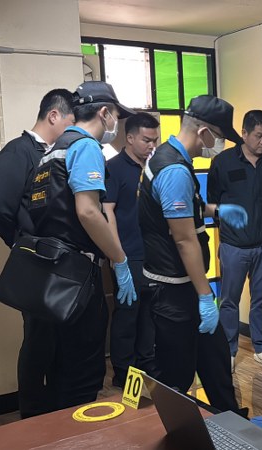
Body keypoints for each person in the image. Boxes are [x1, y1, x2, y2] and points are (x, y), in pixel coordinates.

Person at [27, 81, 137, 412]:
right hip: (76, 275)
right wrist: (120, 260)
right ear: (104, 113)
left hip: (52, 272)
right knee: (83, 372)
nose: (116, 124)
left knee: (62, 367)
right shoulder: (86, 146)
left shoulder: (54, 149)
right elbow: (88, 211)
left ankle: (61, 432)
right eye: (116, 115)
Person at [137, 95, 248, 415]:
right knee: (177, 374)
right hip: (174, 291)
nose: (220, 145)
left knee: (214, 359)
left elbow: (185, 208)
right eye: (220, 136)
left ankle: (232, 421)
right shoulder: (174, 169)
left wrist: (217, 210)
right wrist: (204, 296)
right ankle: (169, 430)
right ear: (204, 133)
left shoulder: (170, 156)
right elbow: (184, 239)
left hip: (186, 287)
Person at [0, 88, 75, 418]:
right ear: (54, 116)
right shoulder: (17, 152)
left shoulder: (59, 154)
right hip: (37, 263)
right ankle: (34, 417)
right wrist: (21, 244)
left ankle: (60, 413)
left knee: (62, 341)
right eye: (71, 123)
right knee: (38, 341)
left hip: (63, 262)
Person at [207, 110, 262, 371]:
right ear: (244, 133)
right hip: (233, 246)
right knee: (229, 301)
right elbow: (213, 202)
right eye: (259, 135)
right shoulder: (223, 162)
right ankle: (228, 350)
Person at [103, 112, 160, 388]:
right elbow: (107, 212)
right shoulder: (113, 168)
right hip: (127, 254)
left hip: (153, 255)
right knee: (127, 315)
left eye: (155, 140)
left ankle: (147, 365)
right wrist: (118, 257)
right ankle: (123, 372)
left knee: (149, 314)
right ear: (130, 138)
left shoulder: (154, 167)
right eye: (147, 140)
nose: (152, 146)